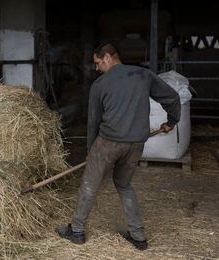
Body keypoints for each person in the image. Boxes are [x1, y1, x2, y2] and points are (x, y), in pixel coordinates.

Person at [55, 43, 181, 250]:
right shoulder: (144, 75)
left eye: (97, 63)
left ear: (107, 57)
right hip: (137, 143)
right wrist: (172, 121)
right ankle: (138, 236)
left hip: (109, 142)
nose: (96, 69)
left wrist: (91, 151)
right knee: (123, 184)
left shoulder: (100, 85)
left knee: (89, 184)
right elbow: (173, 97)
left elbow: (93, 122)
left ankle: (76, 230)